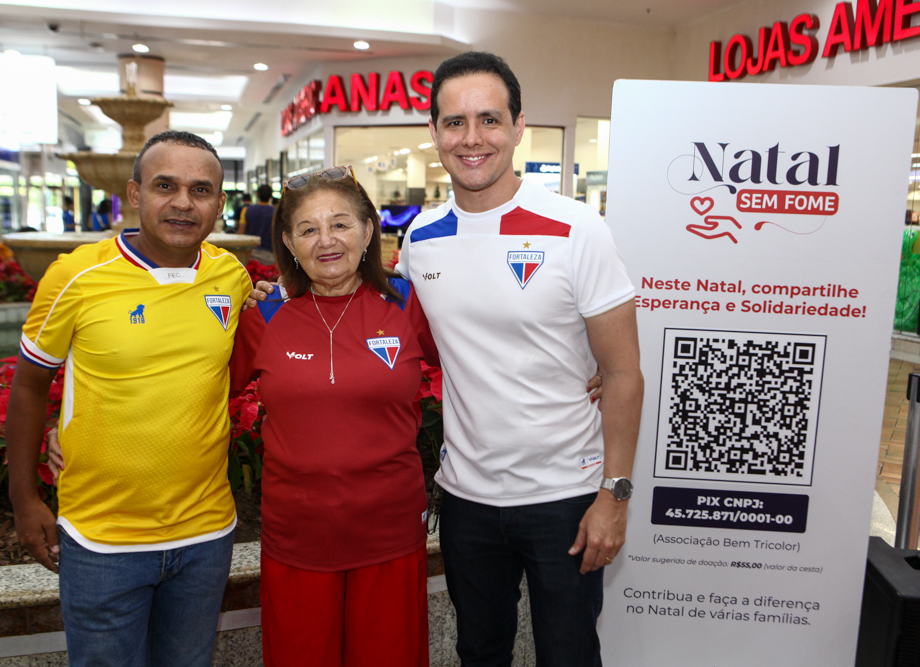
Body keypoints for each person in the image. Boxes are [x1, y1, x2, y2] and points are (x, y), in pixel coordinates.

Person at [396, 51, 643, 666]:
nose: (472, 138)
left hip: (566, 498)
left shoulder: (577, 228)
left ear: (518, 125)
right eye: (454, 122)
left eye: (489, 119)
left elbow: (623, 373)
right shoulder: (419, 238)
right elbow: (394, 323)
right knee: (479, 654)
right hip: (467, 499)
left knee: (569, 656)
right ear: (434, 133)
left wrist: (614, 496)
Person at [6, 130, 256, 667]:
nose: (184, 202)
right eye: (166, 185)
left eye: (201, 189)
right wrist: (25, 500)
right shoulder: (76, 275)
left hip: (206, 535)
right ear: (135, 193)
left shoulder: (229, 276)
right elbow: (29, 384)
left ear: (218, 203)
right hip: (102, 542)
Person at [229, 166, 438, 667]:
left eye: (341, 224)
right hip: (298, 538)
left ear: (368, 231)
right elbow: (206, 395)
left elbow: (479, 366)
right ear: (288, 242)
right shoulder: (264, 315)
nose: (327, 241)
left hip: (389, 532)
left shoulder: (406, 303)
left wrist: (584, 370)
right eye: (308, 229)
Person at [238, 184, 277, 264]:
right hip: (270, 256)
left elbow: (240, 234)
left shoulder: (246, 210)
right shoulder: (276, 213)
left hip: (250, 254)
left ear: (257, 194)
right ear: (271, 196)